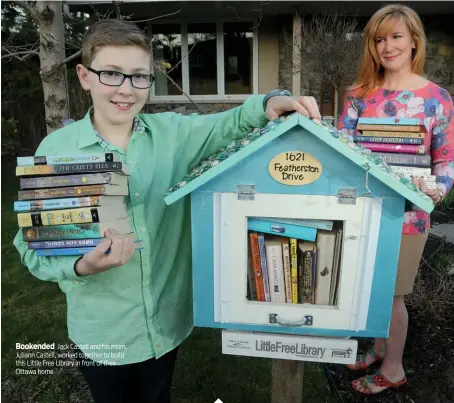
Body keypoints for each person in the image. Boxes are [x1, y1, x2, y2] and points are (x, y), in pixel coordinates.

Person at [13, 19, 321, 403]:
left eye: (139, 77)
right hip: (103, 332)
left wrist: (271, 100)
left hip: (166, 326)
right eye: (111, 74)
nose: (126, 89)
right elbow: (32, 247)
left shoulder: (173, 135)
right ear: (84, 76)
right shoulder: (57, 149)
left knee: (158, 395)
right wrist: (80, 266)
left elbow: (233, 122)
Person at [338, 4, 454, 395]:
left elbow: (447, 158)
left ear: (414, 41)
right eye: (379, 38)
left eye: (396, 36)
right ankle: (377, 349)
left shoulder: (438, 99)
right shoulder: (357, 96)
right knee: (369, 289)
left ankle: (392, 368)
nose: (388, 46)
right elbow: (343, 152)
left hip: (409, 217)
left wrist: (440, 187)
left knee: (393, 296)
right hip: (362, 210)